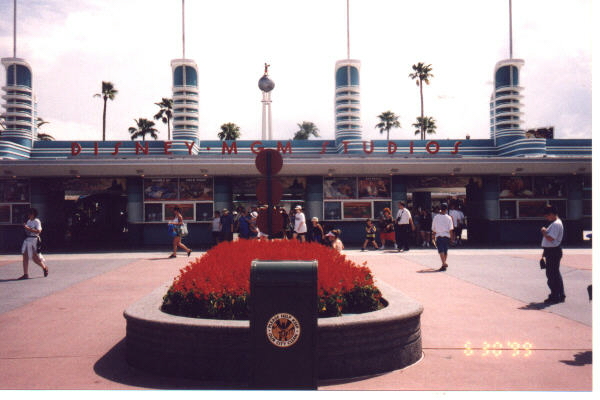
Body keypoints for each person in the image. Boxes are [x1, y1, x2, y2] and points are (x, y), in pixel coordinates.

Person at [540, 204, 565, 304]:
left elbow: (550, 238)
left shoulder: (556, 224)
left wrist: (544, 231)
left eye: (547, 215)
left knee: (552, 274)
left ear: (551, 214)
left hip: (553, 252)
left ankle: (555, 295)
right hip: (552, 251)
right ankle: (560, 294)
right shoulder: (556, 223)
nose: (546, 218)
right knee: (555, 273)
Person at [19, 208, 49, 279]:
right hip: (28, 239)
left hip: (34, 240)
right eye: (29, 214)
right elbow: (27, 231)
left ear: (33, 214)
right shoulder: (29, 221)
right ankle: (25, 274)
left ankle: (44, 267)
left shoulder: (37, 221)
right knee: (25, 255)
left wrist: (27, 228)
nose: (29, 215)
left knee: (34, 258)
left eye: (30, 214)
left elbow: (39, 231)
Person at [431, 203, 454, 271]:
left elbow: (433, 228)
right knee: (445, 251)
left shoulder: (436, 217)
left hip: (439, 236)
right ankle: (443, 265)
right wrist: (452, 238)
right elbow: (451, 229)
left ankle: (444, 263)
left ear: (440, 208)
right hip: (447, 236)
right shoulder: (449, 218)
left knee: (441, 250)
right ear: (446, 209)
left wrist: (433, 235)